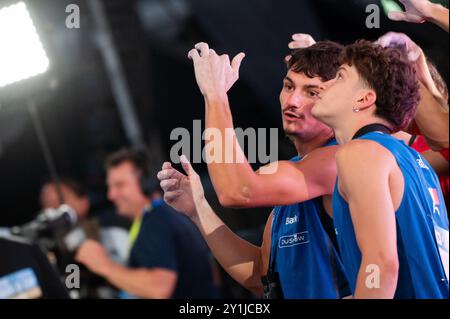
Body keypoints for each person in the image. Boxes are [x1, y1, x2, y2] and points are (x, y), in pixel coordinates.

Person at [158, 40, 350, 298]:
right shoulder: (292, 179)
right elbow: (262, 277)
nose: (292, 100)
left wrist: (215, 95)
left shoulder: (342, 159)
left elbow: (237, 191)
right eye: (289, 86)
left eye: (312, 92)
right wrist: (198, 208)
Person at [312, 40, 449, 298]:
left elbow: (381, 265)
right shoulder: (414, 161)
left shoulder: (360, 152)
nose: (324, 84)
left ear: (364, 98)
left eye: (339, 77)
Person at [75, 148, 217, 299]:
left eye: (119, 185)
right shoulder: (163, 216)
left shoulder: (156, 221)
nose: (111, 195)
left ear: (145, 184)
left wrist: (104, 266)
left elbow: (159, 288)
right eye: (110, 187)